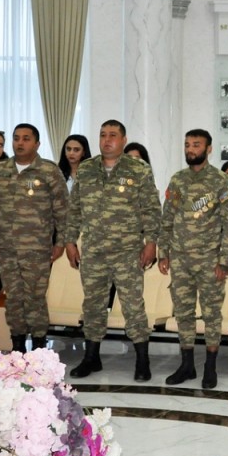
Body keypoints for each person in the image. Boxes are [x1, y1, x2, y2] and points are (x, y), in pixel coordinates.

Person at [65, 120, 162, 380]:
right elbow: (74, 209)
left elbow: (152, 208)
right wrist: (70, 241)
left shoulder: (138, 169)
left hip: (127, 251)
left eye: (112, 135)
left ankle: (142, 360)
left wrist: (151, 242)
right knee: (93, 305)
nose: (106, 140)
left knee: (133, 306)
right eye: (102, 135)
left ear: (123, 139)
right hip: (94, 250)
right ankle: (91, 357)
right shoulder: (85, 170)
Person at [158, 129, 228, 389]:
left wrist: (224, 261)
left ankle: (210, 367)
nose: (190, 149)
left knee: (212, 314)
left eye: (196, 145)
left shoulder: (220, 181)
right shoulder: (178, 180)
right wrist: (163, 252)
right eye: (187, 145)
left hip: (209, 261)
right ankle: (187, 365)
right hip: (180, 260)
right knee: (183, 312)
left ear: (209, 148)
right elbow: (167, 218)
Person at [0, 123, 68, 354]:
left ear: (37, 144)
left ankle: (40, 348)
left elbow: (63, 211)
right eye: (16, 138)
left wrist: (60, 243)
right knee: (14, 299)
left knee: (35, 299)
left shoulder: (49, 171)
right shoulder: (0, 172)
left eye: (26, 139)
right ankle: (18, 347)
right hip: (7, 249)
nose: (20, 143)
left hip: (38, 250)